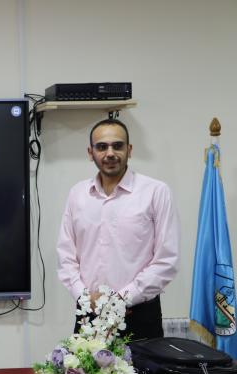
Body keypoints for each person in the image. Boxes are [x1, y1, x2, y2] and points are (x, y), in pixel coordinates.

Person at [56, 118, 180, 340]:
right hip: (89, 314)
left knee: (142, 366)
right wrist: (84, 297)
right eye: (102, 147)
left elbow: (166, 261)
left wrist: (120, 299)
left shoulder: (156, 192)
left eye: (117, 145)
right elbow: (66, 255)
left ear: (129, 150)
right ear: (90, 152)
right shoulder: (77, 194)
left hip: (139, 316)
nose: (110, 153)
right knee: (83, 365)